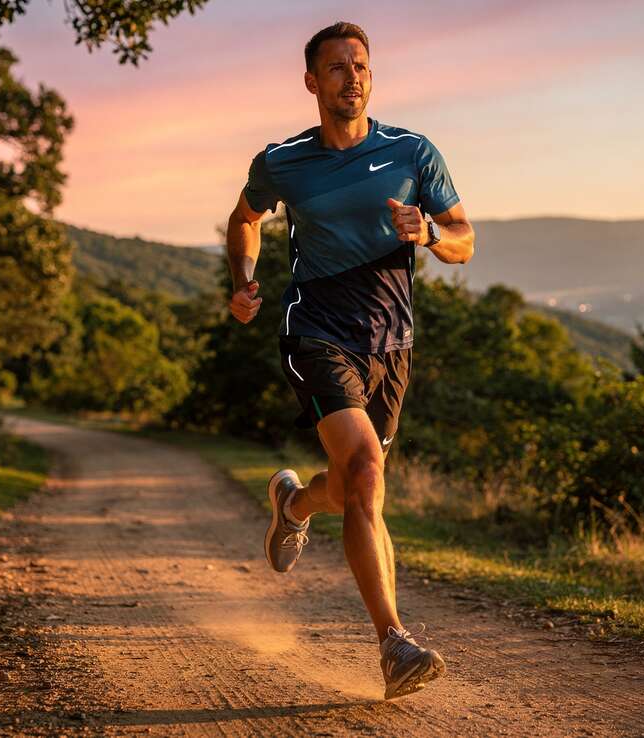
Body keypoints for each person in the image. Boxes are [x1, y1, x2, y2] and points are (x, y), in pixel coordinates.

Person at [223, 21, 474, 699]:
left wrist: (428, 235)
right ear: (312, 82)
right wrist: (244, 278)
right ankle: (395, 644)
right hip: (316, 331)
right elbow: (246, 218)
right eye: (335, 68)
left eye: (359, 66)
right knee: (365, 471)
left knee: (354, 484)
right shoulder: (283, 161)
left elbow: (464, 239)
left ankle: (294, 503)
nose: (350, 77)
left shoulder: (412, 151)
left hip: (392, 343)